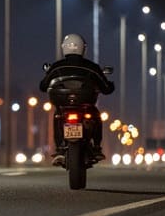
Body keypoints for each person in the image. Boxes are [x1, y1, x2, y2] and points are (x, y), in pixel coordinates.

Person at [39, 34, 114, 165]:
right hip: (86, 106)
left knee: (57, 115)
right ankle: (96, 147)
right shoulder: (92, 67)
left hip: (63, 106)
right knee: (96, 115)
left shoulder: (57, 67)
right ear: (83, 49)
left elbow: (43, 86)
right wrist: (111, 85)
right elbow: (106, 88)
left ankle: (60, 148)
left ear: (64, 48)